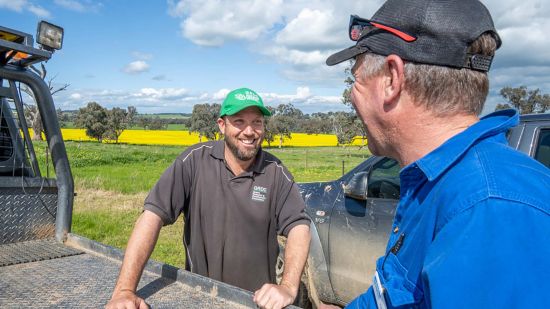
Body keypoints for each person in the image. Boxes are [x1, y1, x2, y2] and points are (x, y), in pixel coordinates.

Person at [322, 0, 550, 308]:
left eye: (357, 78)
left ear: (392, 78)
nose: (352, 94)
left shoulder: (490, 210)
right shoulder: (437, 182)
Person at [106, 88, 311, 309]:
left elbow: (299, 226)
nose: (250, 131)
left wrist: (288, 287)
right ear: (222, 125)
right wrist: (125, 291)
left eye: (257, 122)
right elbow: (152, 215)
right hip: (199, 298)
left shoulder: (275, 172)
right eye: (239, 121)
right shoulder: (194, 161)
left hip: (256, 302)